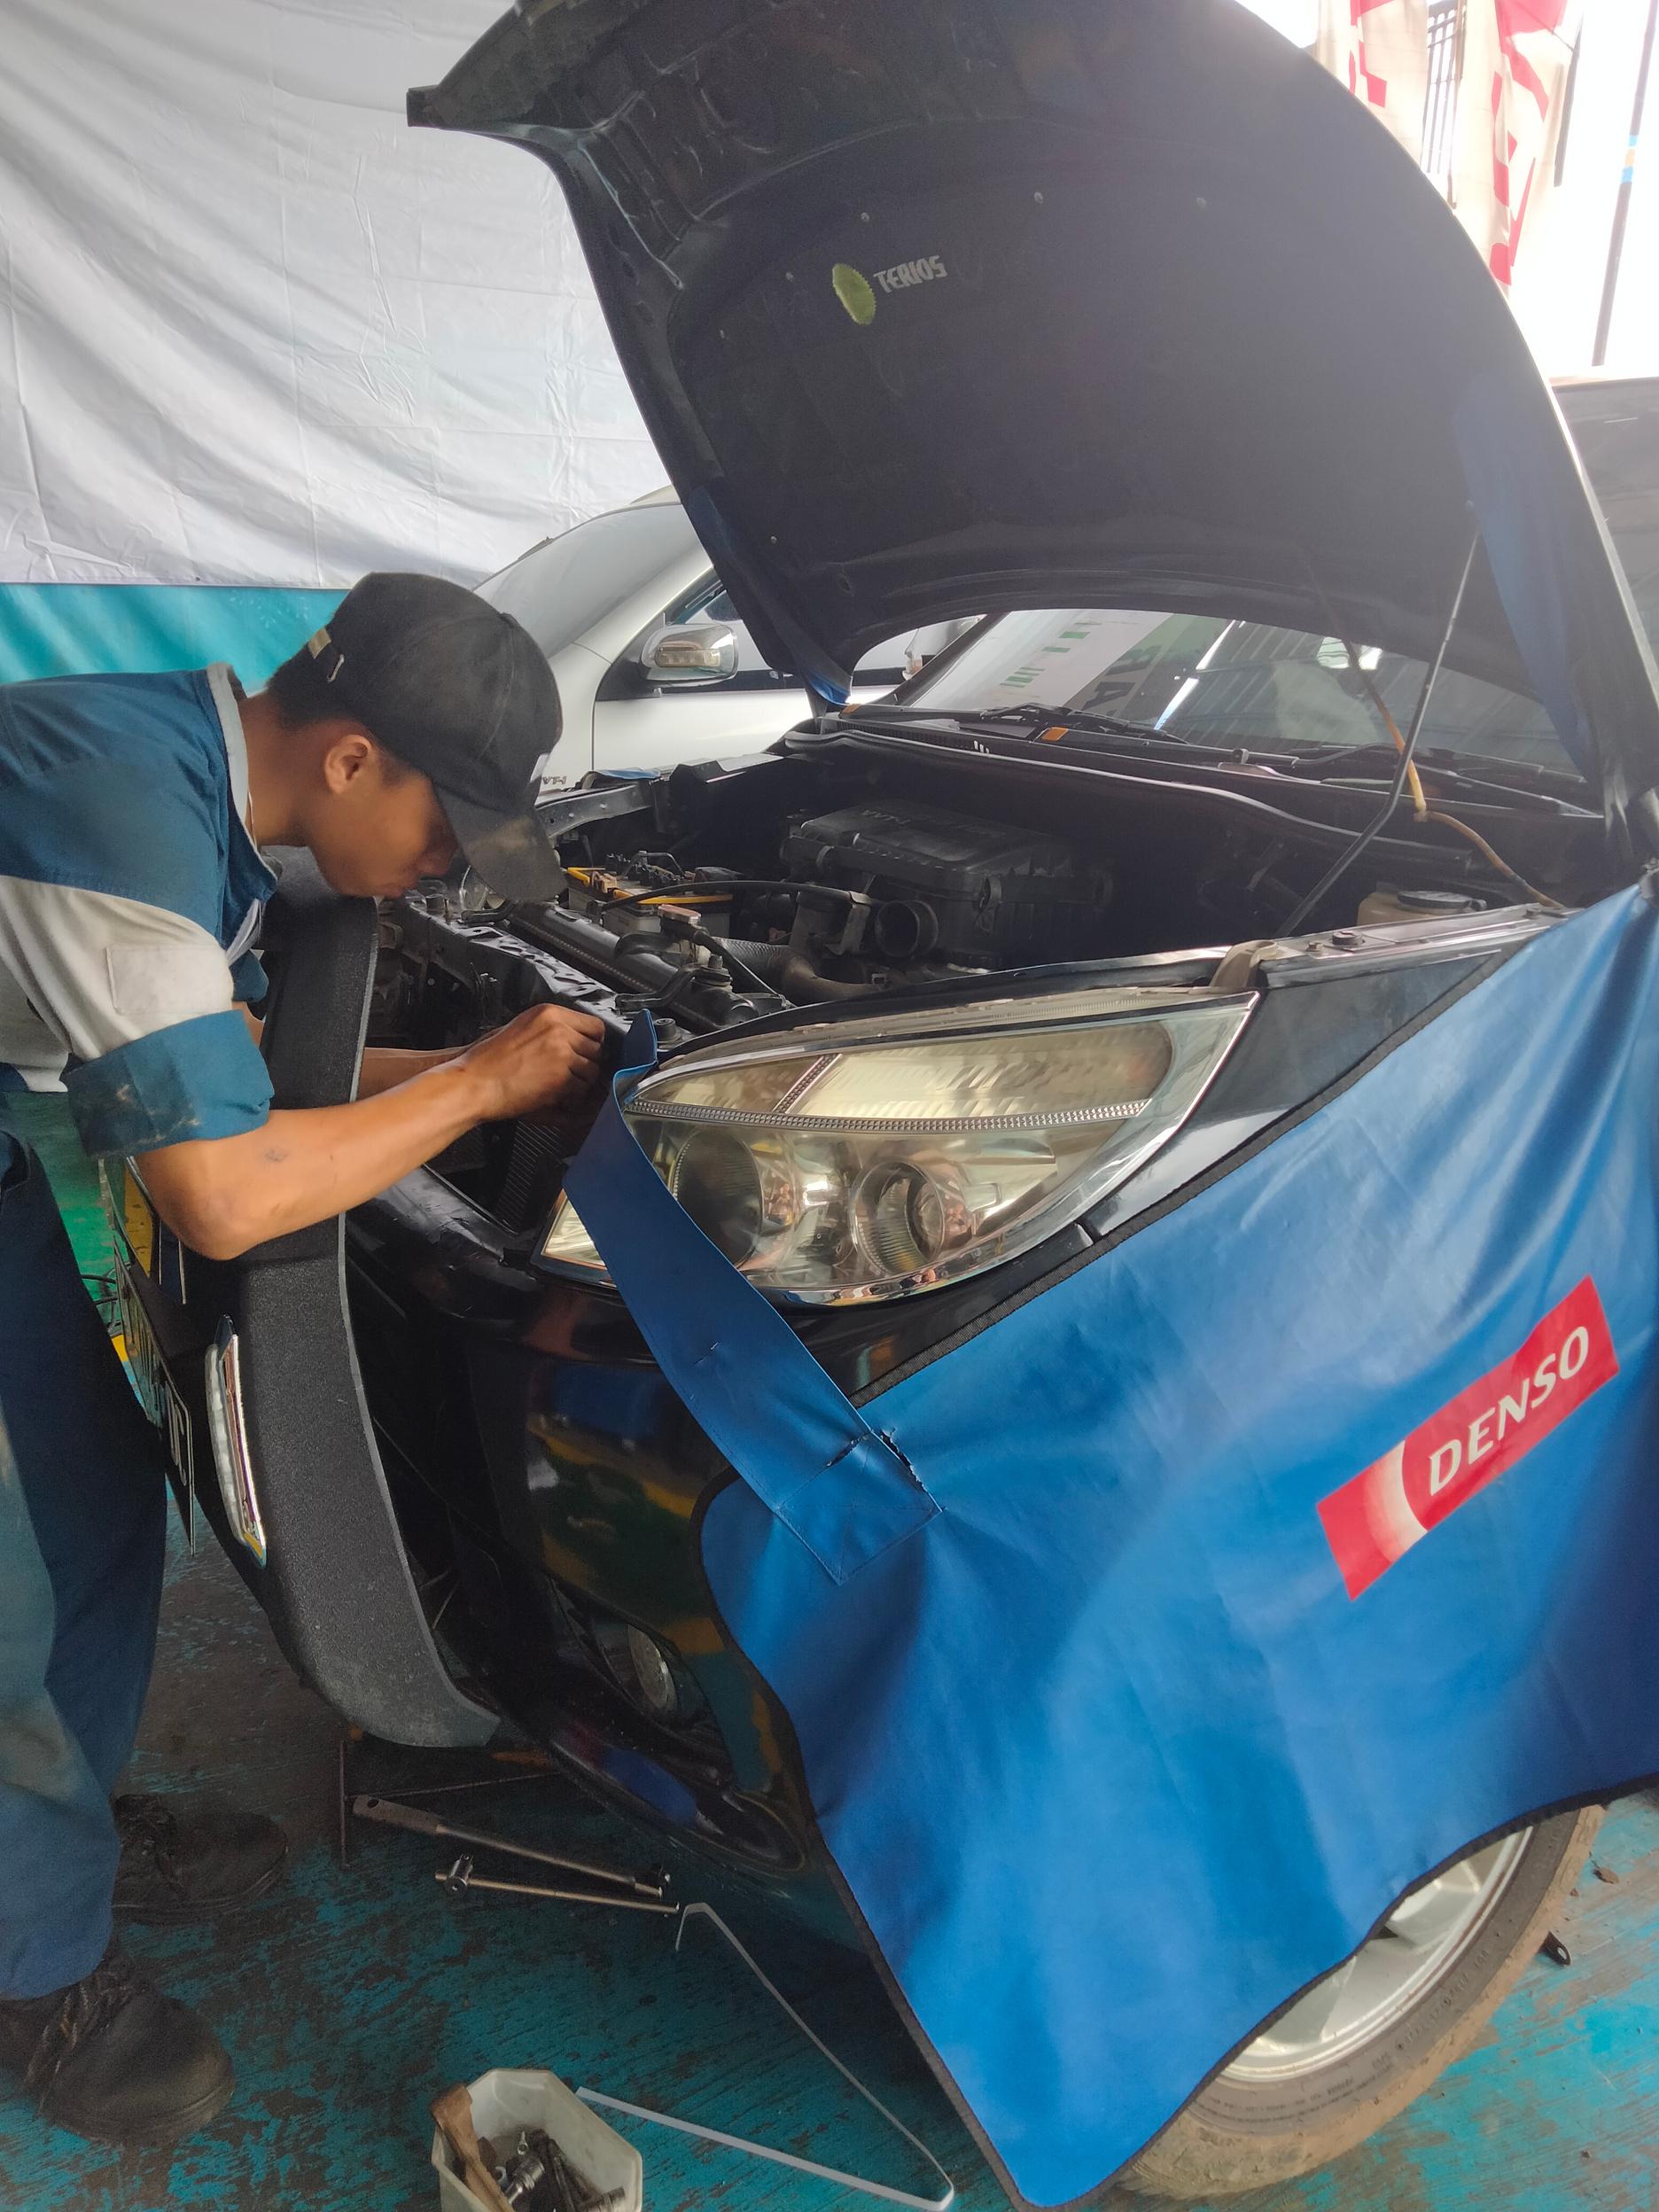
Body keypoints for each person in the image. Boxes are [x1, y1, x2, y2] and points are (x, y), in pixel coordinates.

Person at [0, 573, 602, 2146]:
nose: (443, 870)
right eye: (443, 832)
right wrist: (476, 1088)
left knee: (91, 1499)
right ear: (349, 759)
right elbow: (221, 1188)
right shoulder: (117, 806)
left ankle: (52, 1848)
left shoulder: (206, 798)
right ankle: (28, 1971)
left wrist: (486, 1075)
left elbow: (249, 1063)